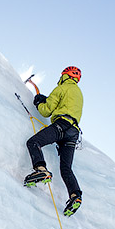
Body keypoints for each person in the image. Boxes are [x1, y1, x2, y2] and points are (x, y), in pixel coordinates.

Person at [23, 66, 84, 215]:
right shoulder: (78, 93)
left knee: (34, 142)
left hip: (62, 125)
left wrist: (39, 102)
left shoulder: (62, 88)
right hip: (73, 132)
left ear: (65, 75)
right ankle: (75, 195)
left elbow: (46, 111)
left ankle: (41, 169)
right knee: (66, 168)